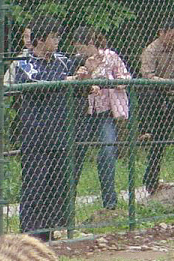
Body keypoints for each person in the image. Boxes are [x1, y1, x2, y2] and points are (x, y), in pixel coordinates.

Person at [9, 17, 73, 240]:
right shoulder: (25, 62)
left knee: (57, 184)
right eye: (53, 37)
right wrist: (67, 81)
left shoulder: (63, 61)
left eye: (58, 36)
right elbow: (36, 82)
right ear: (40, 40)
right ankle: (29, 234)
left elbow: (74, 78)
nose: (57, 41)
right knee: (35, 183)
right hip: (35, 135)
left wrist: (84, 79)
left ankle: (50, 231)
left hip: (60, 133)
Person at [70, 27, 130, 211]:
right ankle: (67, 204)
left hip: (105, 113)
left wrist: (108, 81)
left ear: (90, 43)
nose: (77, 52)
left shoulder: (110, 57)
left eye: (80, 47)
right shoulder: (77, 62)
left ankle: (110, 203)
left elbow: (126, 77)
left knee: (107, 151)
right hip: (84, 114)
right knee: (75, 155)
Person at [140, 21, 174, 196]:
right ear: (161, 33)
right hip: (158, 95)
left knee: (162, 139)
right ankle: (146, 129)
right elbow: (148, 76)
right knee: (159, 138)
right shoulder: (151, 50)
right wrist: (170, 82)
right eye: (172, 35)